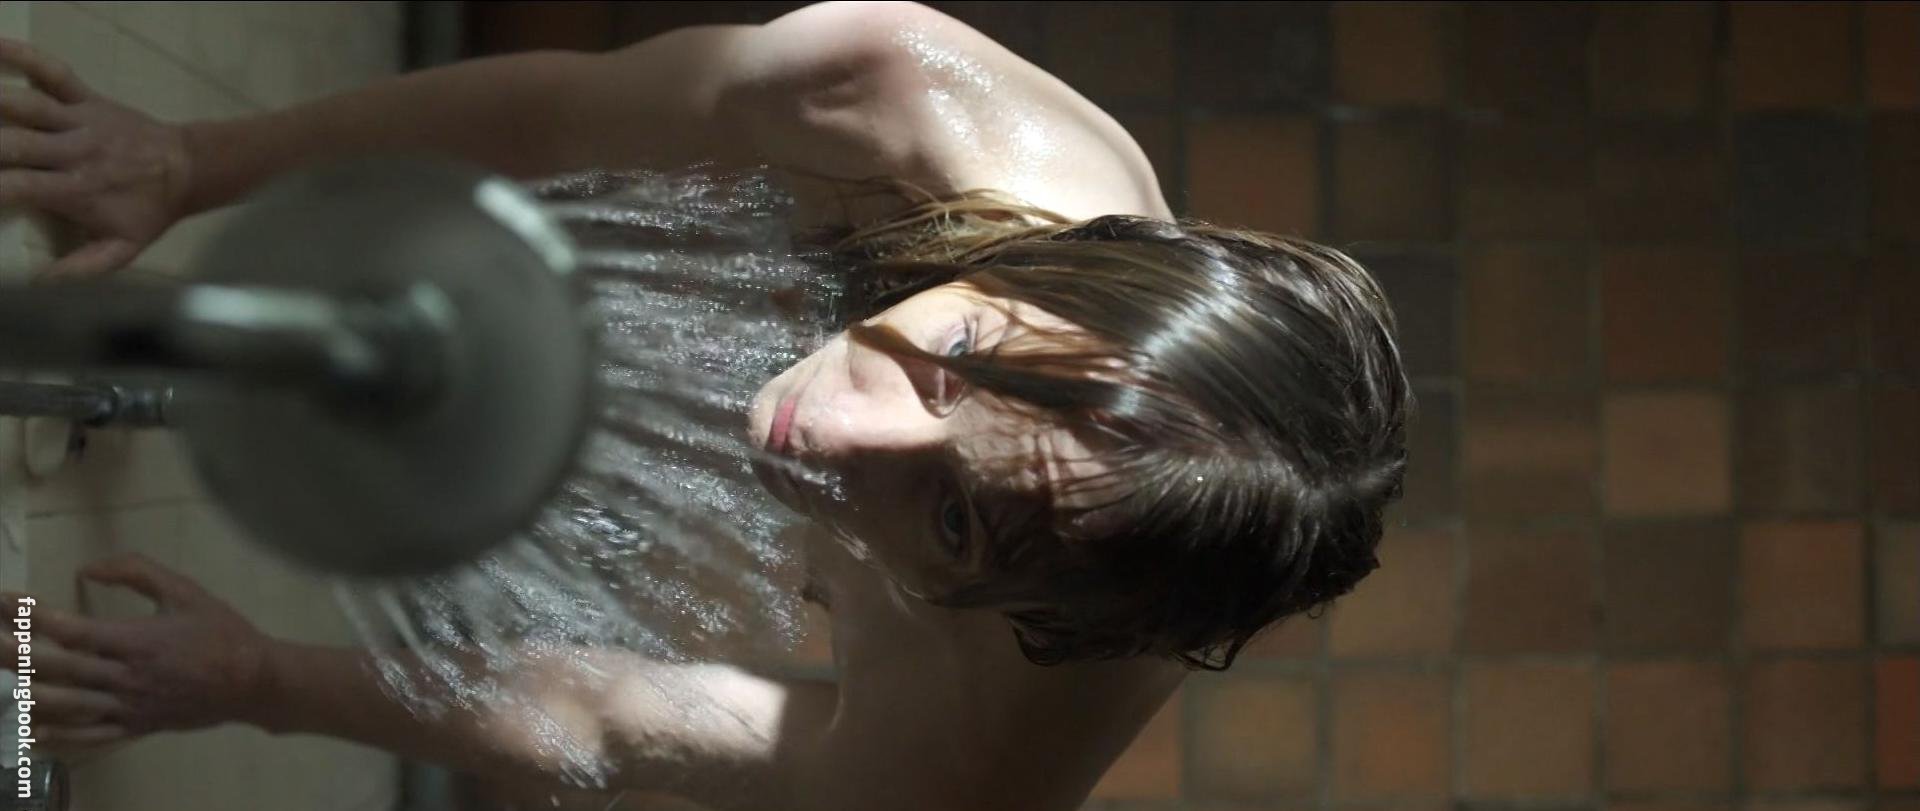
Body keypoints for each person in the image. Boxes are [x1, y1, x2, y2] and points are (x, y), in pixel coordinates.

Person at [0, 3, 1410, 809]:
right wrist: (188, 163)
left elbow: (621, 714)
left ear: (1020, 607)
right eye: (959, 353)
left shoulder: (983, 748)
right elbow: (567, 116)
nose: (838, 435)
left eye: (957, 520)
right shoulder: (901, 98)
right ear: (1052, 268)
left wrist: (252, 683)